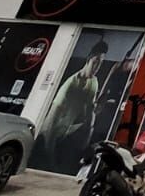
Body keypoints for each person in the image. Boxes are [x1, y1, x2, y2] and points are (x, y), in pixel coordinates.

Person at [39, 39, 107, 173]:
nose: (97, 67)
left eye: (100, 63)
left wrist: (95, 113)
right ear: (88, 59)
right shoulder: (70, 85)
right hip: (47, 138)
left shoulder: (94, 82)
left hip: (65, 134)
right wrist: (50, 159)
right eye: (95, 62)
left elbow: (89, 113)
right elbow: (50, 123)